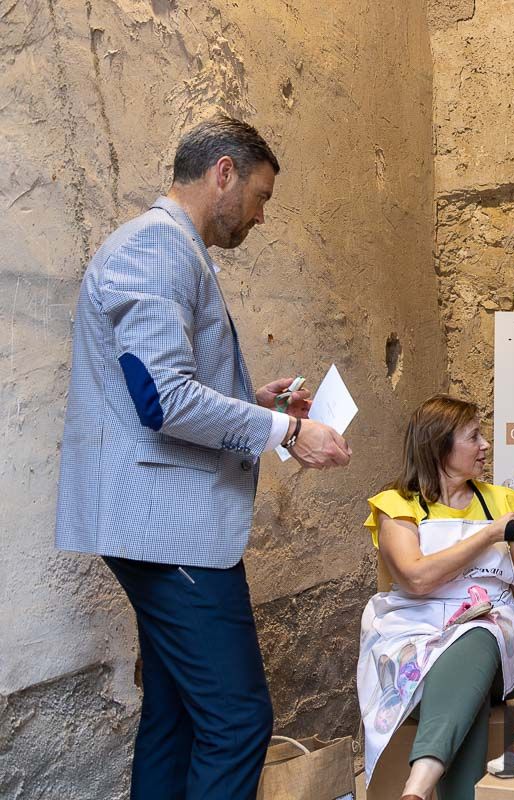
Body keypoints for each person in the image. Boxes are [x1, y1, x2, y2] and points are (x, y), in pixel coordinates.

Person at [53, 116, 352, 799]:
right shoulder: (158, 247)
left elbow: (155, 390)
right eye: (262, 196)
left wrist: (255, 399)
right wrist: (282, 432)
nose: (262, 215)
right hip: (170, 531)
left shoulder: (166, 247)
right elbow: (162, 399)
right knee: (239, 720)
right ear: (224, 172)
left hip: (162, 526)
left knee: (176, 718)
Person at [358, 395, 514, 800]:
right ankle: (429, 787)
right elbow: (415, 580)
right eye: (473, 437)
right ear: (439, 446)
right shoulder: (396, 505)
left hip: (498, 640)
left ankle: (415, 789)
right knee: (469, 695)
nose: (485, 446)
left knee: (479, 631)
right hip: (415, 637)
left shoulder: (501, 502)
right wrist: (488, 534)